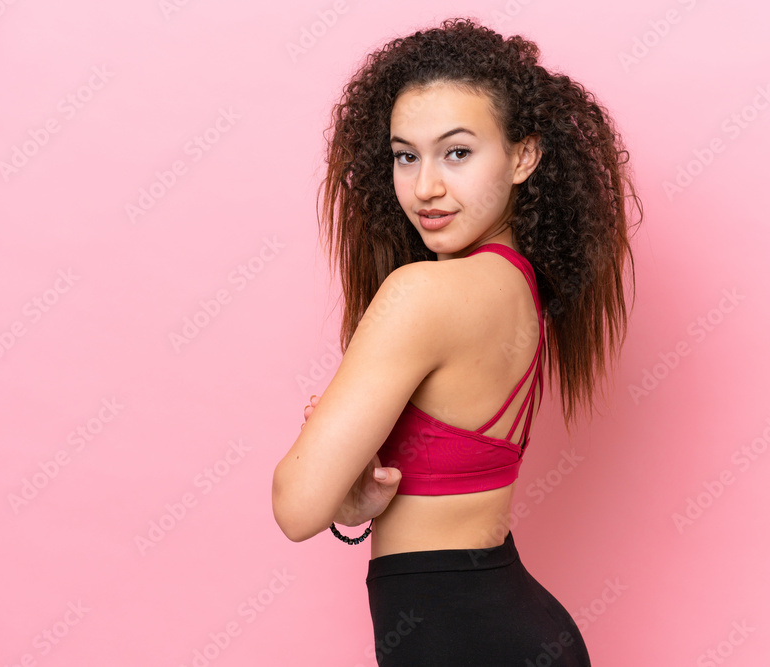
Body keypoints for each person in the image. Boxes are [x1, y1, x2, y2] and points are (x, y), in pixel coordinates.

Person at [272, 16, 641, 665]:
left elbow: (297, 505)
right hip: (506, 617)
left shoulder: (425, 294)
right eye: (405, 155)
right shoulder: (519, 289)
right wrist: (356, 498)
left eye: (458, 152)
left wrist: (335, 494)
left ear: (523, 156)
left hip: (462, 637)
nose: (426, 187)